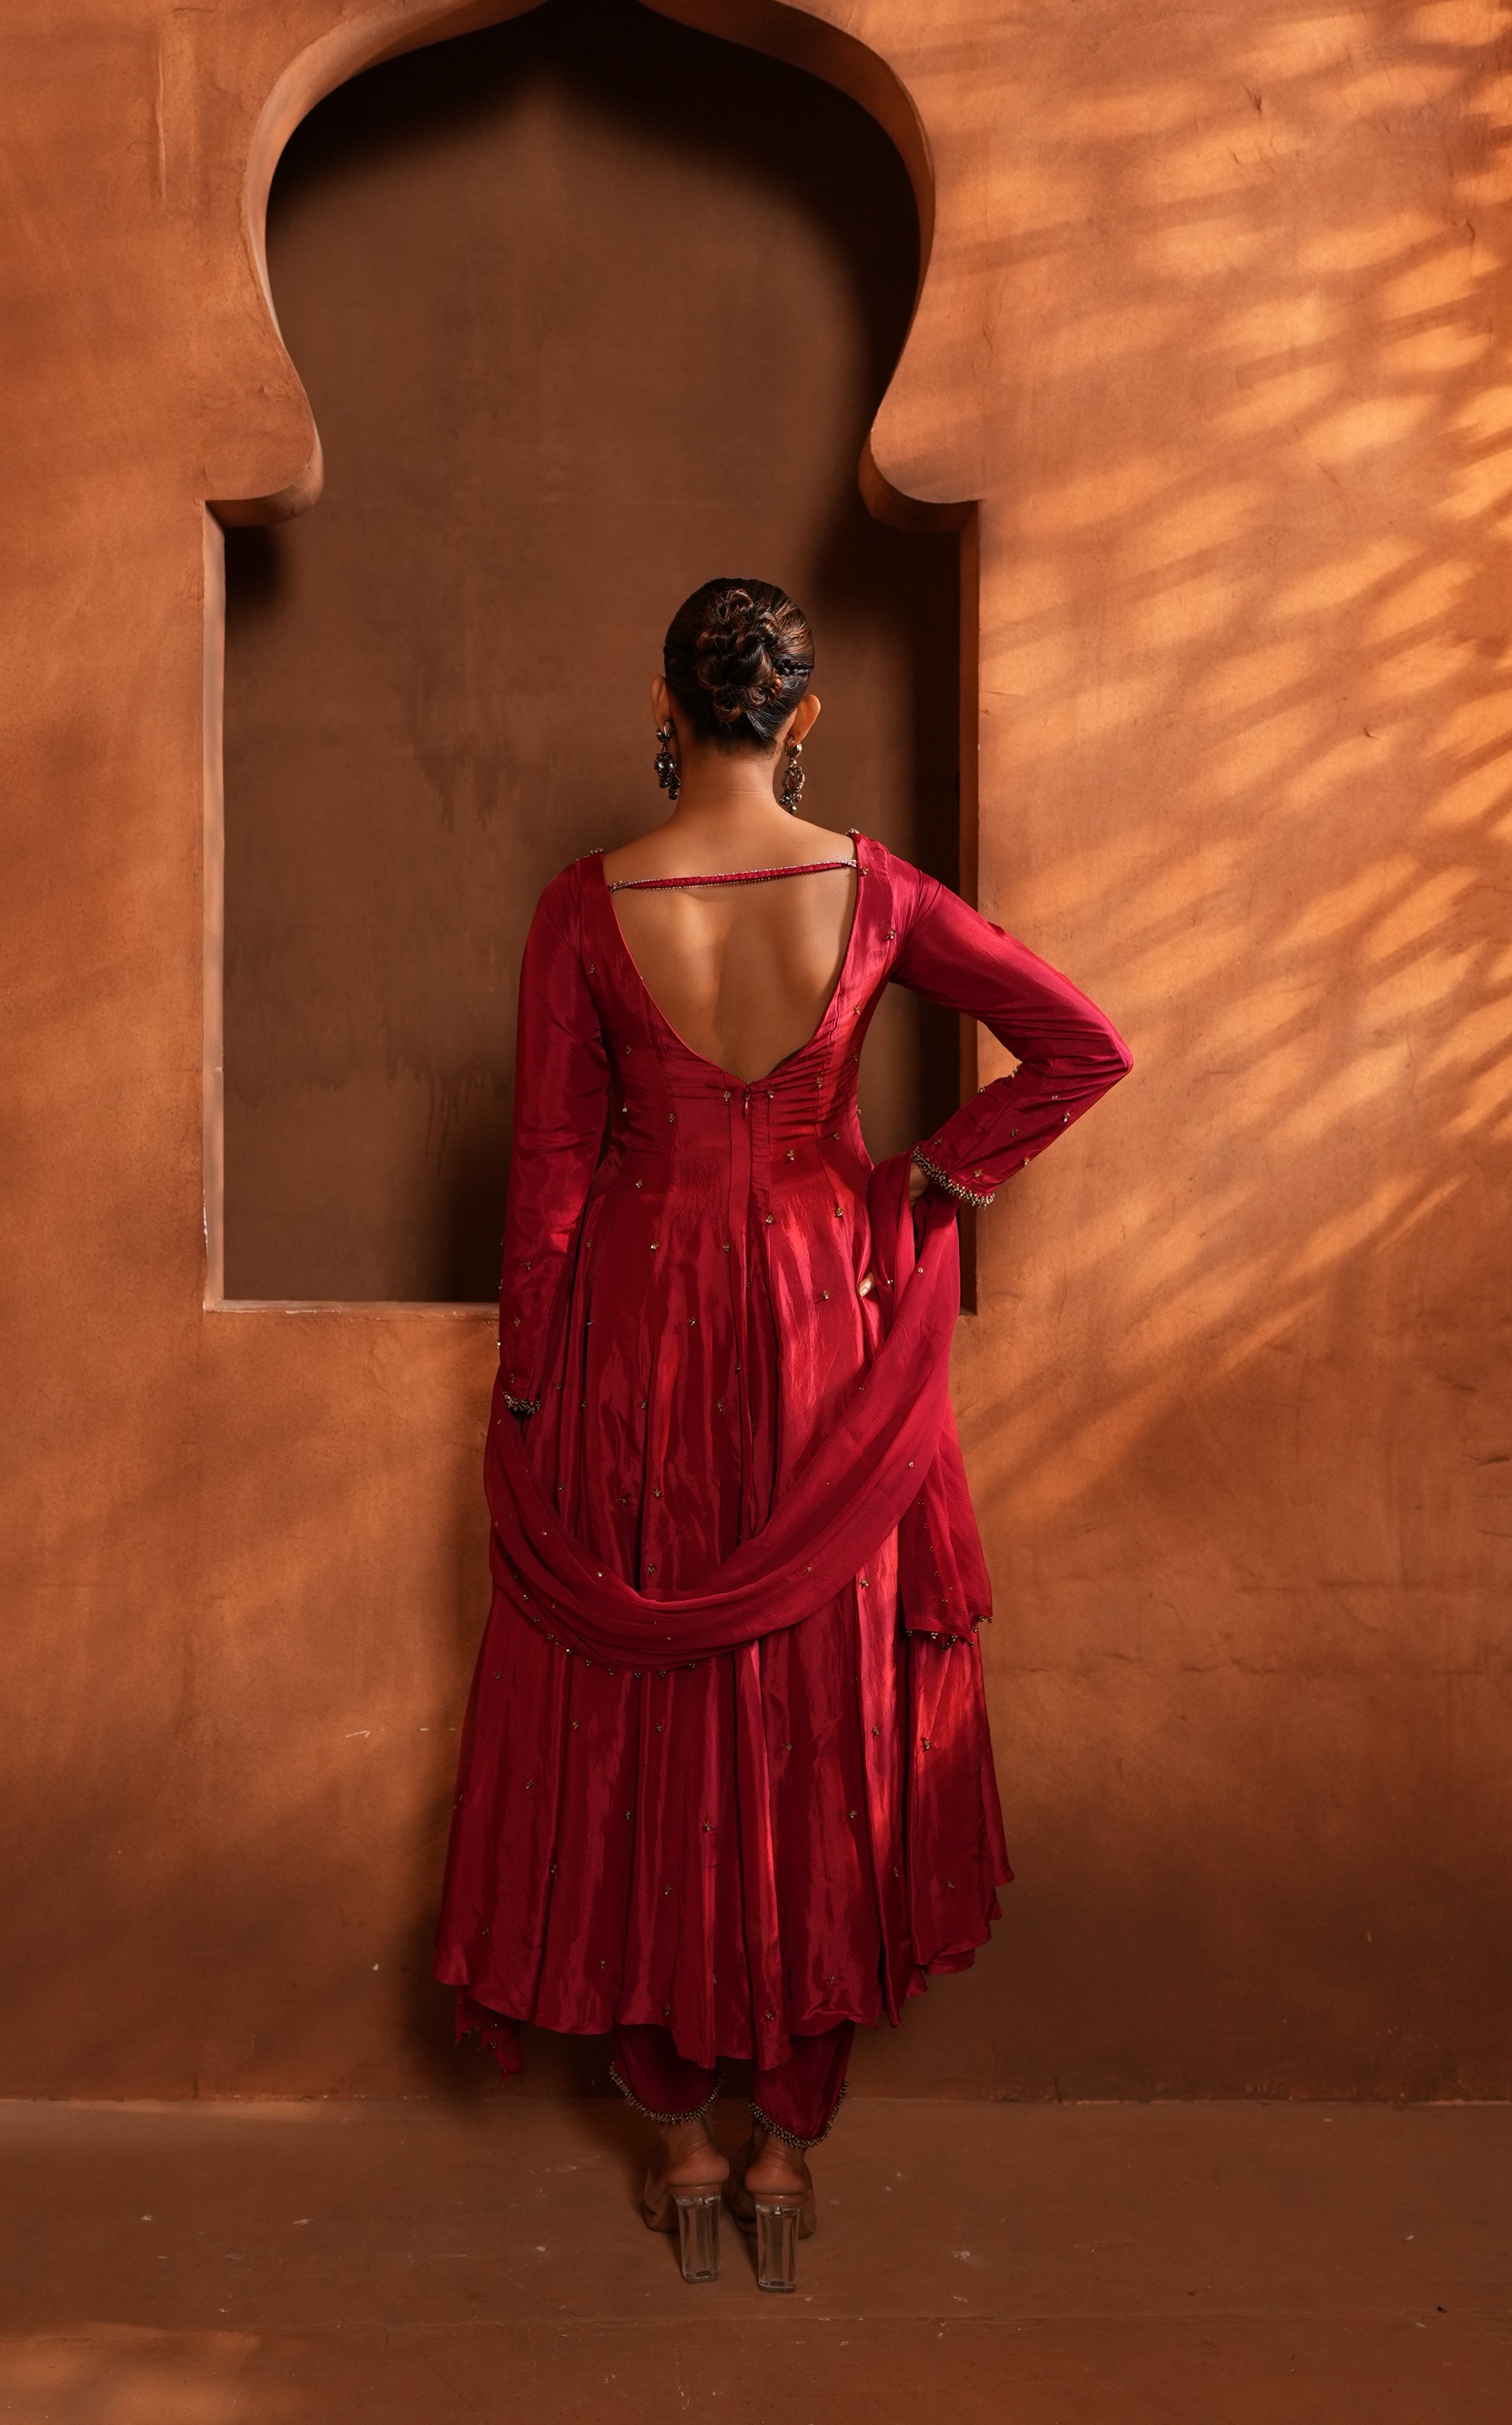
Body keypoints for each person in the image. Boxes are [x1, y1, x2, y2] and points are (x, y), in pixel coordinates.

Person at [434, 577, 1131, 2289]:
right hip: (829, 1312)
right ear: (802, 718)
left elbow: (548, 1177)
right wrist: (935, 1176)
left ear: (663, 706)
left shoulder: (585, 906)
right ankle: (783, 2146)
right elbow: (1081, 1047)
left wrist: (526, 1385)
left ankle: (675, 2131)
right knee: (815, 1694)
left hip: (633, 1328)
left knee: (649, 1697)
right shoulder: (873, 889)